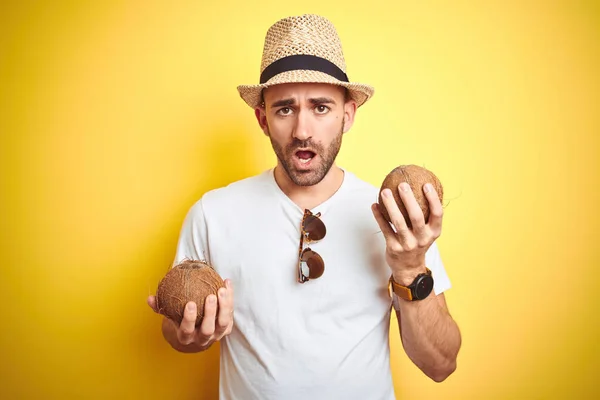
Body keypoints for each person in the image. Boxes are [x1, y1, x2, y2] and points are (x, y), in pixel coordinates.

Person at [147, 13, 462, 400]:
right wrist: (193, 336)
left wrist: (412, 269)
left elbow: (441, 364)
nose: (302, 131)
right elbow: (175, 332)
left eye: (321, 107)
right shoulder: (213, 213)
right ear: (262, 118)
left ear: (347, 115)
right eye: (284, 109)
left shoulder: (399, 219)